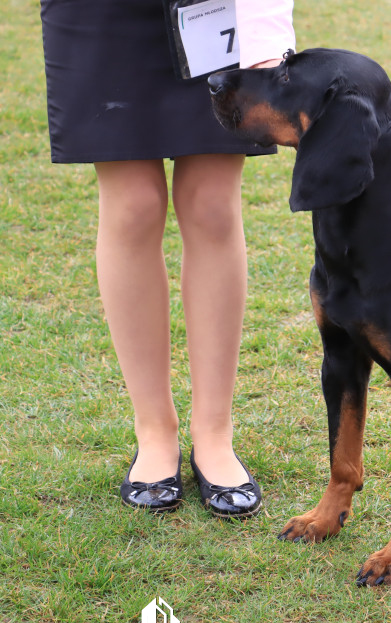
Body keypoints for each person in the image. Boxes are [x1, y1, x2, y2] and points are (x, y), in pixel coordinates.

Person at [40, 0, 296, 517]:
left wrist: (268, 28)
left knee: (211, 207)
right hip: (99, 14)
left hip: (211, 5)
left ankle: (214, 433)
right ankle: (154, 430)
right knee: (132, 207)